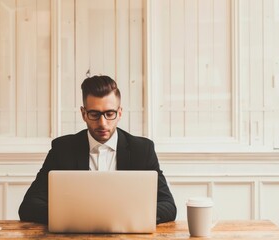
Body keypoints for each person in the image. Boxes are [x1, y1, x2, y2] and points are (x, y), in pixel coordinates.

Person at [19, 75, 177, 224]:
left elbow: (168, 206)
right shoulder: (62, 149)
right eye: (94, 114)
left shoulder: (142, 150)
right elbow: (29, 206)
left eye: (109, 113)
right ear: (83, 114)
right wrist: (75, 217)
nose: (102, 123)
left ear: (119, 113)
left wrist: (126, 217)